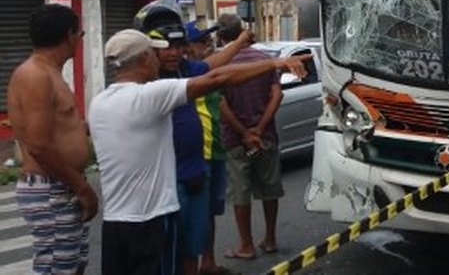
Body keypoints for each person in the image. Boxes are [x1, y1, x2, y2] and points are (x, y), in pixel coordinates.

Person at [88, 28, 311, 275]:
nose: (159, 58)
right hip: (152, 220)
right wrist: (276, 62)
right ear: (143, 58)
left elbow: (209, 69)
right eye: (153, 53)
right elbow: (217, 78)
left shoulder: (98, 103)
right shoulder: (150, 96)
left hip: (115, 222)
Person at [134, 2, 252, 275]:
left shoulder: (185, 70)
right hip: (162, 184)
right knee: (165, 252)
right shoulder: (142, 82)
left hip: (195, 173)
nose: (175, 53)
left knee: (192, 247)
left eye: (179, 46)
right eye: (167, 48)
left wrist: (274, 62)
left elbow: (218, 69)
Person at [7, 4, 98, 274]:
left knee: (72, 263)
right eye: (79, 33)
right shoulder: (35, 75)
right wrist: (82, 187)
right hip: (50, 187)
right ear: (68, 35)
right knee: (58, 267)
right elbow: (38, 145)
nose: (79, 41)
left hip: (60, 185)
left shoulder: (50, 72)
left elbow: (60, 128)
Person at [218, 14, 285, 260]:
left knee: (240, 192)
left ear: (221, 37)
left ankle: (245, 245)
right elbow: (277, 95)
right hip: (266, 135)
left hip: (236, 140)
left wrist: (246, 133)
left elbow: (221, 104)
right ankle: (270, 239)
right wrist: (259, 128)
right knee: (269, 189)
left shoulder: (222, 65)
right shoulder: (264, 60)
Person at [183, 21, 234, 275]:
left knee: (211, 211)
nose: (207, 44)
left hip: (216, 147)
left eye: (208, 40)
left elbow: (221, 102)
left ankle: (208, 262)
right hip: (199, 152)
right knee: (198, 213)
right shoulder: (187, 73)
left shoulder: (204, 68)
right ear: (187, 46)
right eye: (201, 41)